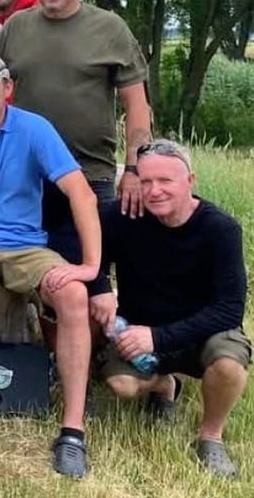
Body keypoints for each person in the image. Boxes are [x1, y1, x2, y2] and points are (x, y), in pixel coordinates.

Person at [0, 53, 101, 478]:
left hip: (27, 247)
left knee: (72, 294)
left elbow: (81, 194)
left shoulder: (33, 129)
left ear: (7, 88)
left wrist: (89, 266)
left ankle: (72, 429)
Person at [90, 140, 249, 478]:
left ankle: (211, 437)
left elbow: (230, 310)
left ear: (190, 181)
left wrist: (158, 338)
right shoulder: (123, 216)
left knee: (229, 364)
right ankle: (165, 386)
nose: (154, 191)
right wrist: (102, 288)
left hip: (202, 331)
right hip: (140, 326)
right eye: (146, 181)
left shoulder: (221, 229)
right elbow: (82, 249)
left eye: (165, 181)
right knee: (121, 385)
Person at [0, 0, 151, 264]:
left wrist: (136, 168)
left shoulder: (110, 28)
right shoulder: (16, 28)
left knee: (88, 277)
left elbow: (136, 104)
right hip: (24, 175)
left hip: (90, 172)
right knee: (22, 276)